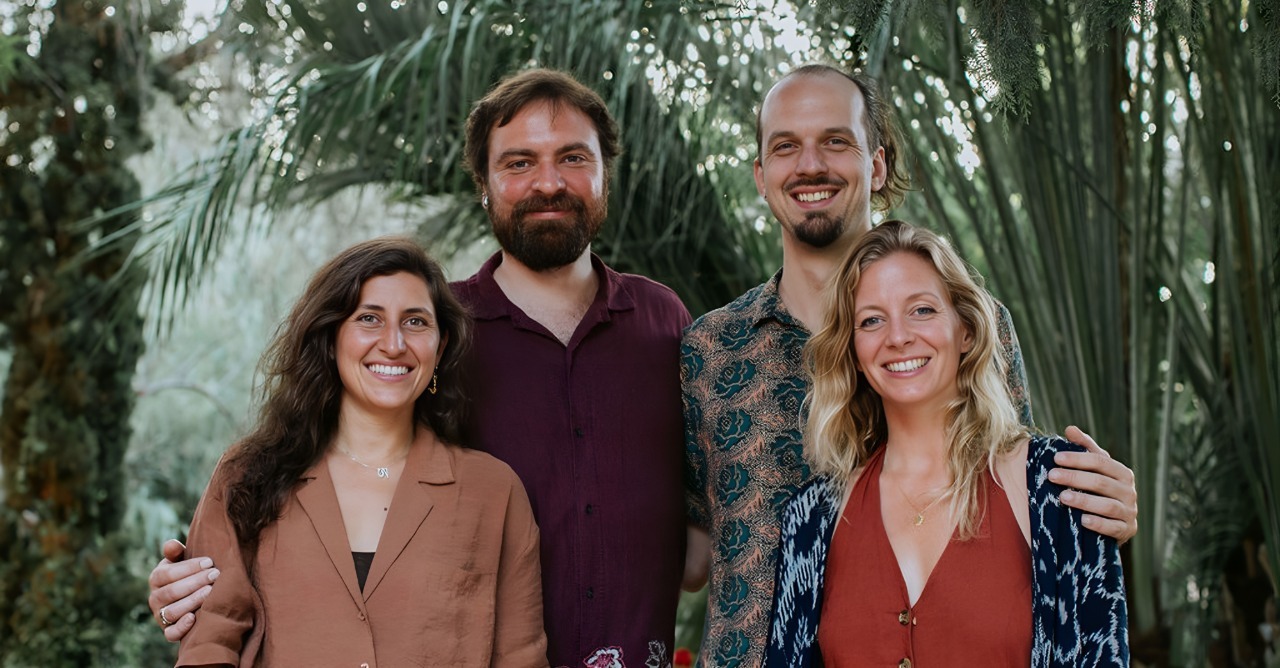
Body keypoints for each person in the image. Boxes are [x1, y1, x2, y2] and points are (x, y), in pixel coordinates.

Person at [150, 70, 691, 668]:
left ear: (604, 172)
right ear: (483, 185)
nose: (548, 182)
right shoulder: (442, 329)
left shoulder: (665, 324)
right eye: (517, 163)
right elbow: (320, 476)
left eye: (572, 157)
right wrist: (196, 571)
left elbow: (708, 517)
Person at [681, 64, 1139, 667]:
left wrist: (1106, 510)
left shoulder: (981, 325)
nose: (810, 164)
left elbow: (1020, 503)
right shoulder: (709, 350)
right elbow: (687, 552)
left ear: (877, 163)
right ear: (762, 177)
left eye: (836, 141)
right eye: (785, 146)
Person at [763, 220, 1129, 666]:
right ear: (854, 353)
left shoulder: (1057, 484)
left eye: (922, 310)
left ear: (967, 331)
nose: (898, 337)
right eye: (872, 320)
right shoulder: (812, 519)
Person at [173, 237, 547, 667]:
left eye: (416, 322)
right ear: (331, 338)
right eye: (369, 318)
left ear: (440, 347)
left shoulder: (493, 493)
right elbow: (208, 645)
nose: (393, 343)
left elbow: (521, 658)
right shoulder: (247, 475)